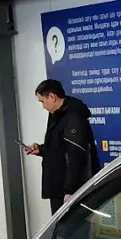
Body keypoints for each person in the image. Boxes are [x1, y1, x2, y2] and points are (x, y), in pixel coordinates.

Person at [23, 80, 101, 215]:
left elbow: (76, 156)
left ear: (52, 97)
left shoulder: (73, 118)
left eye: (42, 101)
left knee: (71, 225)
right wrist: (41, 149)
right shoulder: (56, 115)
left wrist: (70, 190)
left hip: (69, 190)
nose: (43, 106)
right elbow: (59, 148)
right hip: (58, 186)